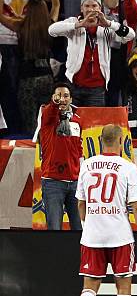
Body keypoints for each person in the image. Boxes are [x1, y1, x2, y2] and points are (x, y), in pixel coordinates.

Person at [76, 124, 137, 296]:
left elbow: (81, 203)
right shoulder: (127, 167)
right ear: (121, 142)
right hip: (120, 236)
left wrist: (88, 225)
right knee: (124, 286)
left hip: (92, 235)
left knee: (90, 285)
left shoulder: (86, 165)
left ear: (100, 141)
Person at [0, 0, 59, 135]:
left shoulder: (21, 28)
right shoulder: (50, 26)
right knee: (47, 123)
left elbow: (0, 15)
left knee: (29, 128)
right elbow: (55, 4)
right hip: (47, 80)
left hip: (26, 82)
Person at [48, 0, 135, 107]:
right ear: (81, 8)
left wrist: (109, 24)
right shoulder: (74, 22)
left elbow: (130, 35)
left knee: (94, 125)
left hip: (97, 89)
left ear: (100, 8)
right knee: (72, 123)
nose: (90, 9)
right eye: (87, 6)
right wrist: (78, 25)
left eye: (94, 6)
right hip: (73, 86)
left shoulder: (106, 27)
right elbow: (52, 30)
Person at [39, 83, 82, 231]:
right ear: (53, 97)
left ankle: (77, 255)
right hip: (53, 183)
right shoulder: (48, 117)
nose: (62, 99)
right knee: (54, 230)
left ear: (71, 99)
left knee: (79, 230)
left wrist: (80, 176)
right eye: (58, 95)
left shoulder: (77, 121)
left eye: (65, 96)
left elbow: (79, 150)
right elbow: (50, 111)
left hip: (75, 183)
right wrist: (54, 103)